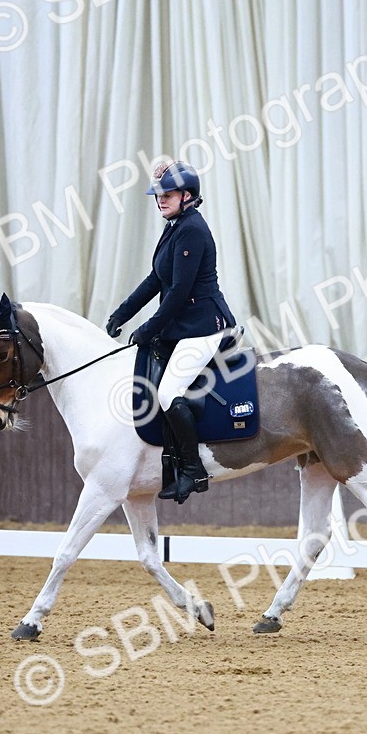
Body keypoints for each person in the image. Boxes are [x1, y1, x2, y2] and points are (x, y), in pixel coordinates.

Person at [105, 160, 237, 502]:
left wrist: (149, 328)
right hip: (185, 327)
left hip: (205, 328)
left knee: (167, 394)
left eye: (168, 193)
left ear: (188, 196)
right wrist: (123, 313)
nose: (160, 199)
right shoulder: (176, 225)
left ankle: (193, 471)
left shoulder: (192, 229)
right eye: (158, 194)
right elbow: (155, 279)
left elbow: (179, 292)